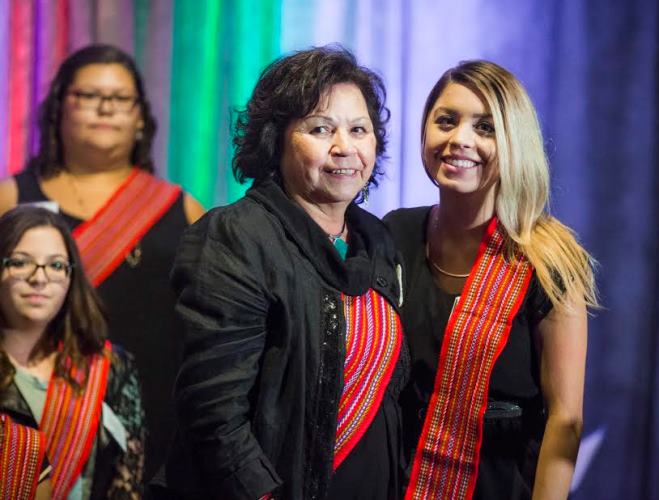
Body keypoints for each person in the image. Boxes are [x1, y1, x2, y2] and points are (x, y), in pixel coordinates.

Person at [163, 46, 408, 500]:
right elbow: (213, 412)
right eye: (321, 129)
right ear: (276, 141)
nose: (345, 147)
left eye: (359, 130)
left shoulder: (377, 241)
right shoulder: (235, 236)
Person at [384, 61, 598, 500]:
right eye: (446, 121)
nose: (459, 139)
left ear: (514, 143)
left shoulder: (548, 257)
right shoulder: (394, 234)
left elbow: (565, 419)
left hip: (500, 482)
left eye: (486, 127)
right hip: (397, 477)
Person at [0, 44, 205, 479]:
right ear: (59, 108)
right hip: (31, 425)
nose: (106, 108)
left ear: (140, 118)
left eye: (120, 99)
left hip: (154, 427)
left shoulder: (183, 209)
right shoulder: (10, 199)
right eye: (89, 96)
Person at [0, 205, 145, 498]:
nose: (39, 278)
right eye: (20, 262)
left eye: (55, 265)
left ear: (71, 278)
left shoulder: (109, 367)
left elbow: (127, 484)